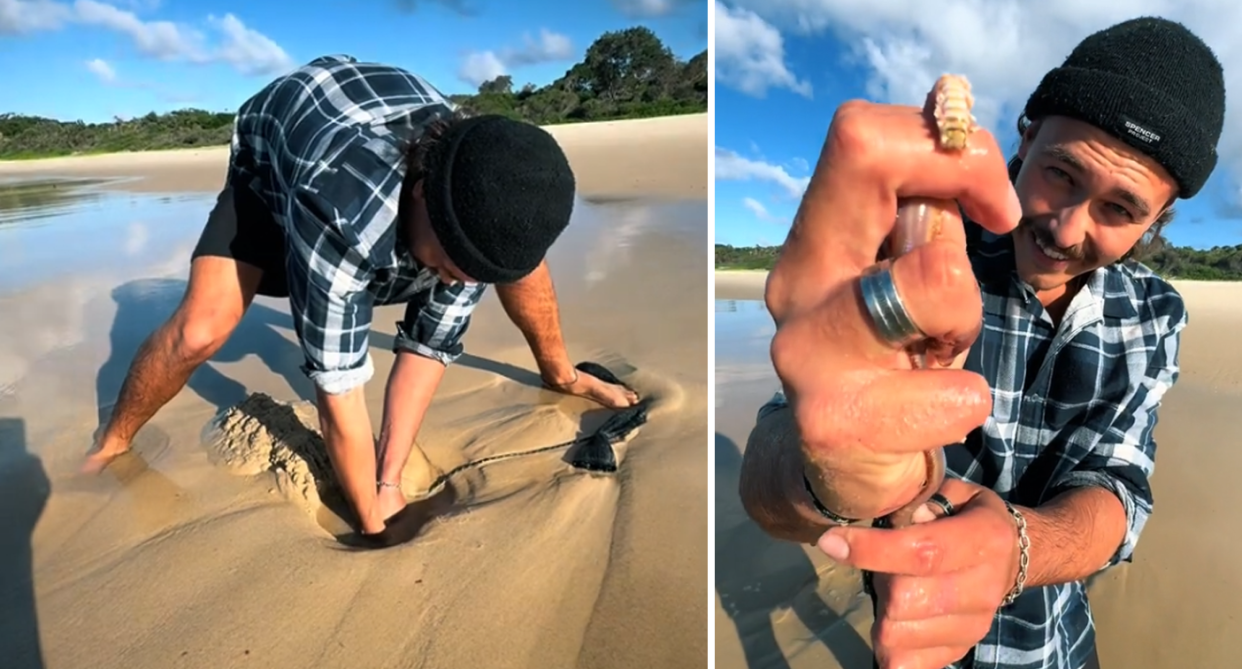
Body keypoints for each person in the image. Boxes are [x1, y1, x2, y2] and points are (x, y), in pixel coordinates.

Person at [737, 16, 1223, 669]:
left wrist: (1019, 545)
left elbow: (1119, 481)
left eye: (1120, 209)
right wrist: (837, 469)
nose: (1068, 226)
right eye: (1062, 173)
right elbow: (767, 487)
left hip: (1060, 648)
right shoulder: (916, 254)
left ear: (1155, 222)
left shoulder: (1155, 313)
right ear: (1025, 137)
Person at [80, 54, 640, 538]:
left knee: (512, 260)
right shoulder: (341, 214)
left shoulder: (482, 187)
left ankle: (560, 373)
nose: (464, 284)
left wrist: (389, 480)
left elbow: (428, 347)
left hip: (387, 108)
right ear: (422, 196)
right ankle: (111, 440)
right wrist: (375, 524)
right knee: (204, 326)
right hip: (278, 142)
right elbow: (339, 401)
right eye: (454, 263)